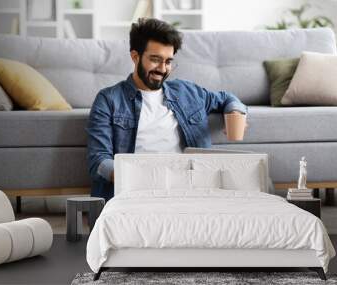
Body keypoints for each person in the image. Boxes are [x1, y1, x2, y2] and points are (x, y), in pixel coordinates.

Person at [87, 18, 248, 201]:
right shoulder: (109, 100)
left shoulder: (188, 92)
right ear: (135, 57)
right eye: (155, 60)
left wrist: (235, 112)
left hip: (189, 189)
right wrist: (140, 178)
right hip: (136, 193)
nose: (163, 69)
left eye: (168, 61)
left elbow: (227, 98)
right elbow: (98, 161)